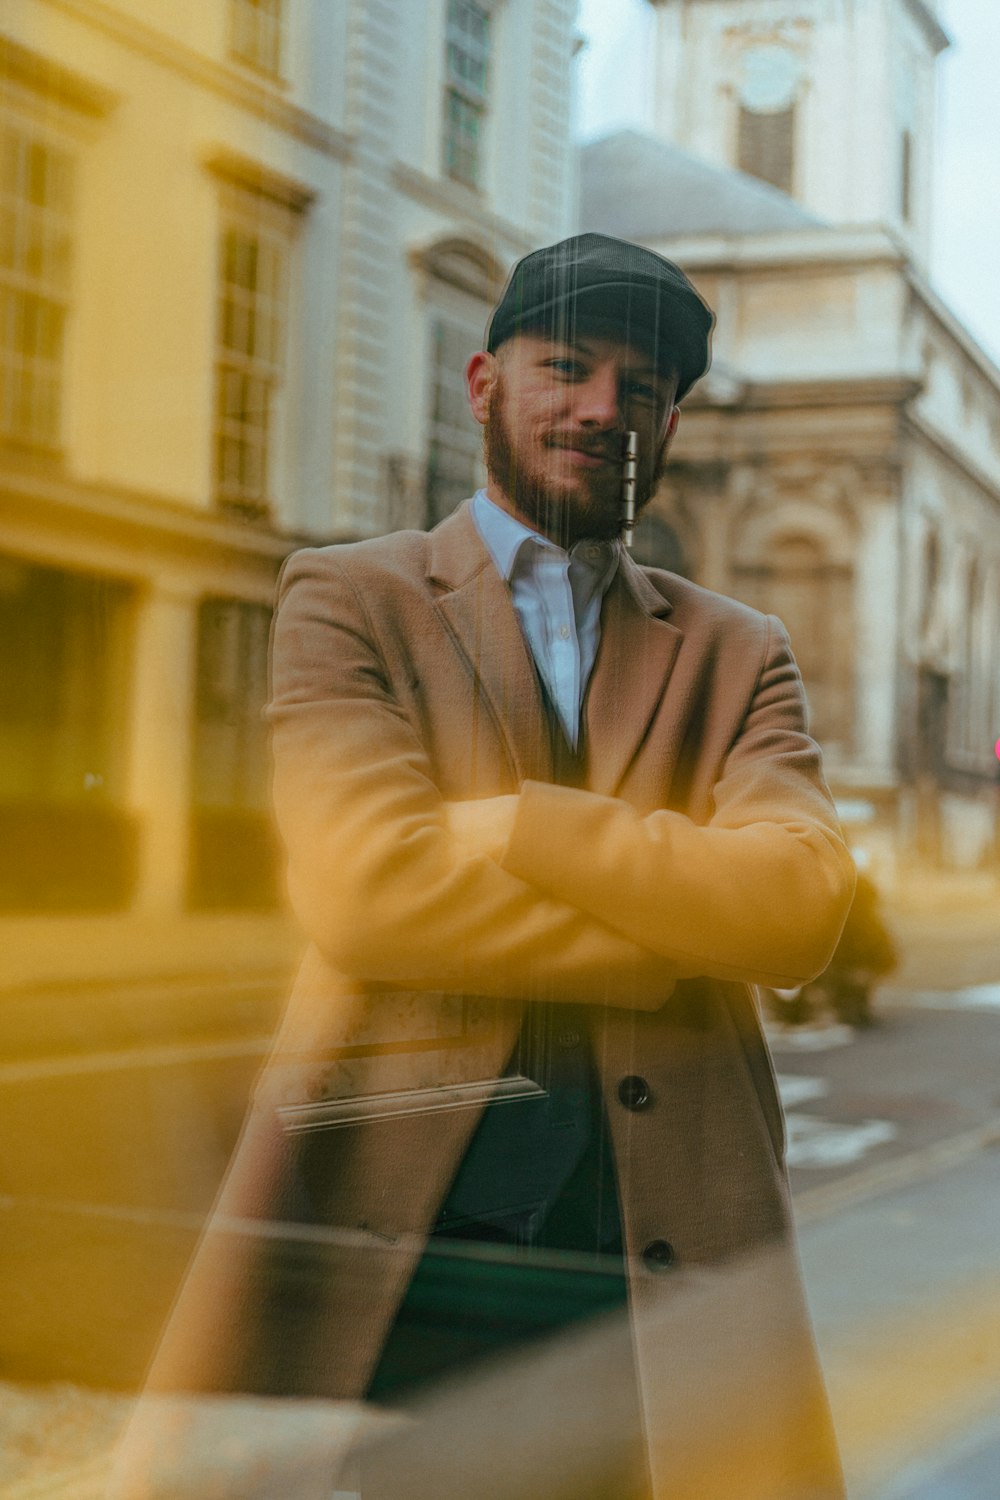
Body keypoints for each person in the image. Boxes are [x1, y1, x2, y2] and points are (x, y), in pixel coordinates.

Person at [112, 234, 855, 1499]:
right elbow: (370, 896)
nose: (598, 409)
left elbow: (794, 913)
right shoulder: (348, 598)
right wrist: (685, 924)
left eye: (640, 388)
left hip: (660, 1252)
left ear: (670, 422)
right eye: (564, 366)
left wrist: (515, 825)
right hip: (414, 1241)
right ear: (482, 382)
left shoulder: (742, 649)